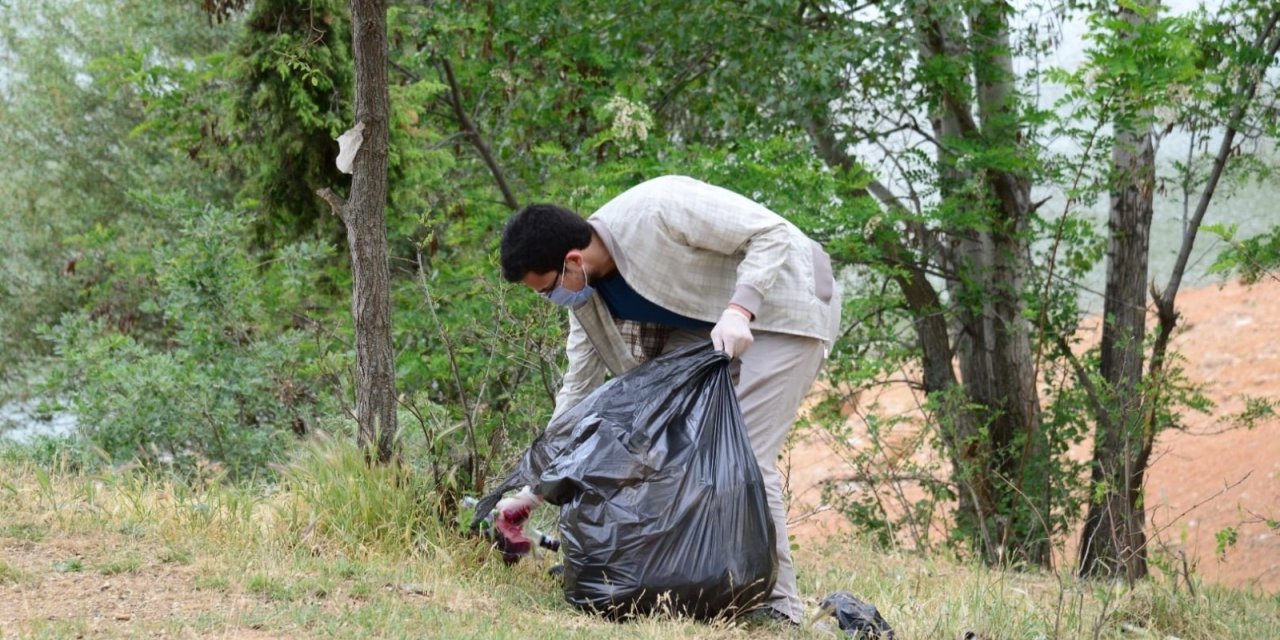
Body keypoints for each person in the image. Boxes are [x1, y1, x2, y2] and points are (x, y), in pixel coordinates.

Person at [497, 174, 841, 624]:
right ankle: (683, 583)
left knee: (745, 460)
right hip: (708, 326)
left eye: (547, 289)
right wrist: (532, 491)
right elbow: (578, 393)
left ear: (573, 260)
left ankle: (780, 610)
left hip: (787, 307)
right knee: (660, 442)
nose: (551, 299)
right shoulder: (586, 301)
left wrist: (741, 310)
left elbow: (770, 232)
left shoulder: (657, 208)